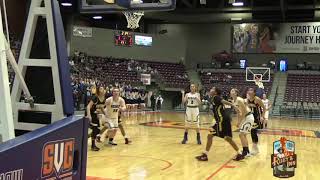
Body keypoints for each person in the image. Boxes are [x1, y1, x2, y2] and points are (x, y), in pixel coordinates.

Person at [196, 87, 244, 161]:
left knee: (210, 135)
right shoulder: (213, 98)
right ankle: (239, 154)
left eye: (212, 89)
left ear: (215, 92)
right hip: (224, 120)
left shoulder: (216, 97)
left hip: (222, 121)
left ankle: (205, 155)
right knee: (228, 138)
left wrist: (233, 105)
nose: (210, 90)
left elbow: (223, 101)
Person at [230, 88, 254, 157]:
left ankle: (244, 152)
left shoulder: (239, 100)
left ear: (236, 93)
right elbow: (238, 112)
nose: (231, 91)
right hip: (245, 118)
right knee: (244, 135)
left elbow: (244, 112)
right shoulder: (233, 101)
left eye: (233, 90)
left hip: (248, 117)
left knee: (241, 134)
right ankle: (247, 152)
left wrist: (240, 121)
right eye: (231, 91)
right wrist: (238, 122)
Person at [86, 86, 106, 151]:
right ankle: (93, 145)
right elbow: (88, 106)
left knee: (97, 130)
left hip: (95, 115)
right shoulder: (95, 97)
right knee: (94, 130)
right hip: (91, 114)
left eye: (102, 88)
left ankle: (87, 138)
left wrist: (106, 114)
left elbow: (101, 108)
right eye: (100, 88)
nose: (101, 89)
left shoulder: (104, 99)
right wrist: (89, 116)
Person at [246, 88, 266, 155]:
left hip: (257, 117)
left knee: (253, 131)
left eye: (251, 90)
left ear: (254, 93)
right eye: (249, 90)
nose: (249, 91)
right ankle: (255, 148)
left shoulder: (257, 99)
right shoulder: (247, 99)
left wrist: (262, 116)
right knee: (252, 132)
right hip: (250, 117)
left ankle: (255, 148)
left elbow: (264, 108)